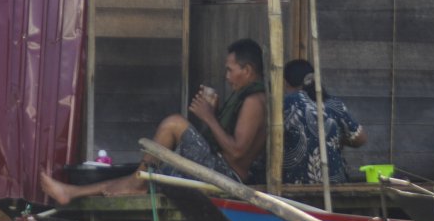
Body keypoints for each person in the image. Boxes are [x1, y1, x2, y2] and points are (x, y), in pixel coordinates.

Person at [41, 38, 268, 204]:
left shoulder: (254, 101)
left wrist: (208, 116)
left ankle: (119, 186)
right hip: (218, 167)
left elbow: (237, 152)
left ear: (247, 70)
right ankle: (71, 192)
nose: (227, 77)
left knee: (174, 123)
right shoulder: (248, 97)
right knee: (142, 175)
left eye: (230, 70)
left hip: (227, 176)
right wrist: (214, 113)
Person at [282, 58, 367, 185]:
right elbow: (360, 138)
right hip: (334, 184)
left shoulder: (286, 103)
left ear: (286, 83)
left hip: (294, 185)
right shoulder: (333, 104)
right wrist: (336, 137)